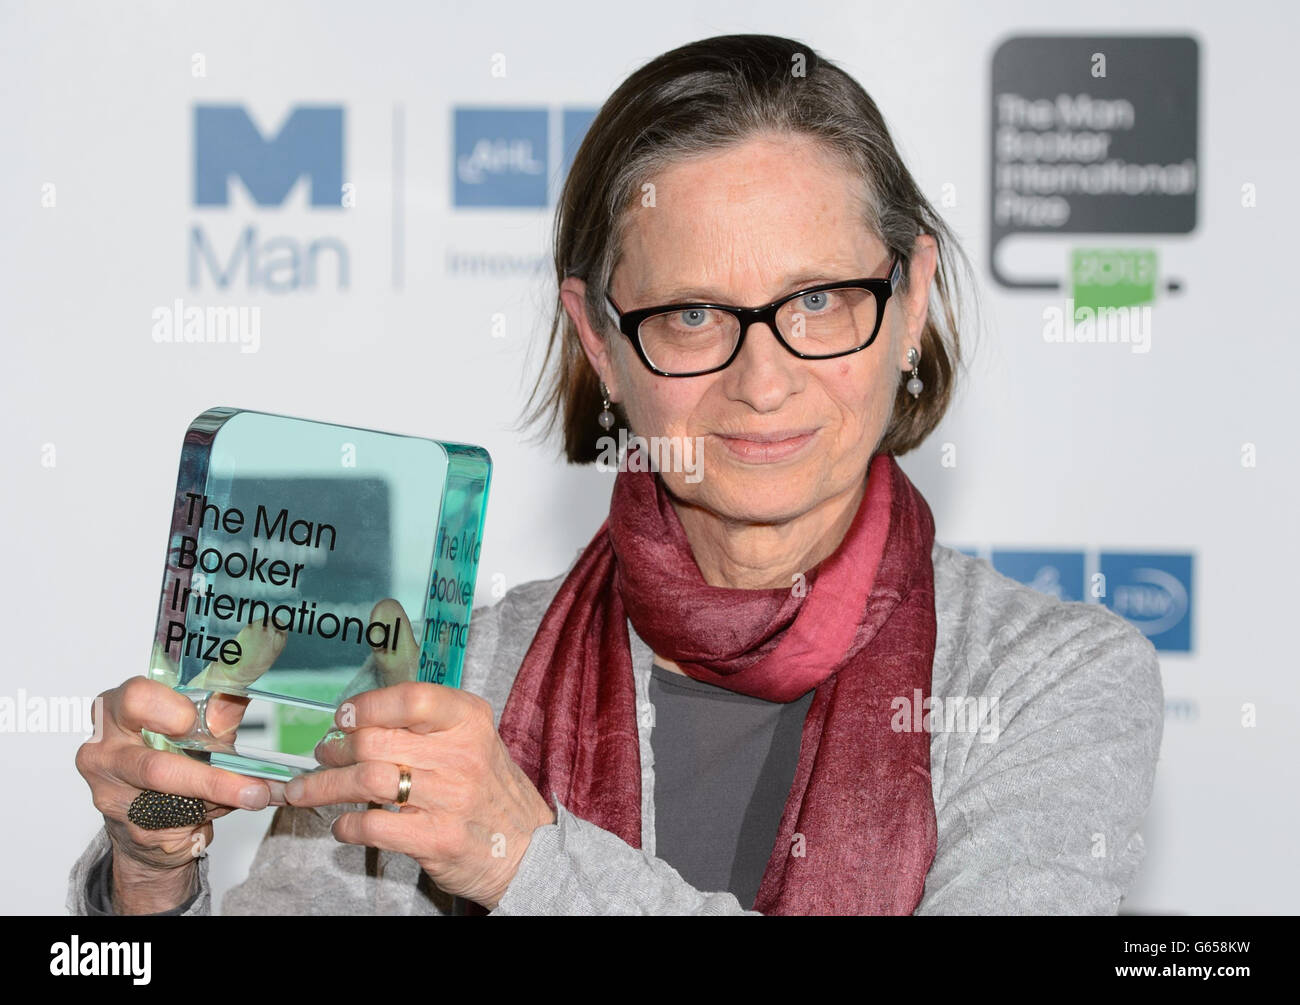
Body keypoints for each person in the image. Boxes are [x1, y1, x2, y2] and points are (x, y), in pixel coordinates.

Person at [69, 33, 1163, 916]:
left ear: (911, 294)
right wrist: (154, 880)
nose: (764, 380)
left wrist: (519, 856)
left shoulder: (1046, 683)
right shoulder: (447, 674)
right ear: (599, 342)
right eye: (691, 315)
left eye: (820, 300)